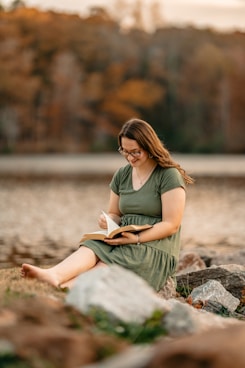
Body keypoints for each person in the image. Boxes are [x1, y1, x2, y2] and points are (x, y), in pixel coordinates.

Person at [21, 118, 194, 291]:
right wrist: (108, 220)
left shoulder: (168, 175)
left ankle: (64, 288)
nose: (129, 157)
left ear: (149, 147)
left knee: (113, 261)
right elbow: (115, 213)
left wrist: (137, 238)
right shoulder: (122, 174)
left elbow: (171, 224)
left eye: (135, 152)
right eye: (124, 151)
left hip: (155, 246)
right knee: (93, 244)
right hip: (125, 238)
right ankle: (54, 275)